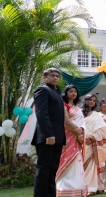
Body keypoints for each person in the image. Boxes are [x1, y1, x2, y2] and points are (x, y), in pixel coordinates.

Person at [32, 68, 66, 197]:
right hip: (47, 137)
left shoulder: (56, 92)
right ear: (44, 77)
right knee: (44, 169)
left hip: (57, 137)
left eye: (58, 76)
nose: (56, 78)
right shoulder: (42, 90)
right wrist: (49, 134)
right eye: (52, 75)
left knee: (52, 170)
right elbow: (41, 113)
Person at [56, 85, 87, 196]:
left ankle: (77, 188)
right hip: (67, 137)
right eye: (71, 91)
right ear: (66, 93)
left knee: (76, 161)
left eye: (75, 91)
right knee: (66, 159)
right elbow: (66, 122)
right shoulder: (64, 105)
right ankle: (64, 189)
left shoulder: (78, 109)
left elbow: (83, 123)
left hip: (77, 138)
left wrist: (81, 131)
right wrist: (77, 131)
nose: (73, 93)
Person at [82, 94, 106, 195]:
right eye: (90, 100)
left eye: (94, 100)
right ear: (85, 101)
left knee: (92, 165)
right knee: (82, 164)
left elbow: (104, 129)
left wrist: (93, 138)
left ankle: (91, 188)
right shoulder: (79, 113)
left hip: (92, 142)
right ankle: (94, 186)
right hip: (81, 142)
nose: (92, 102)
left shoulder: (96, 115)